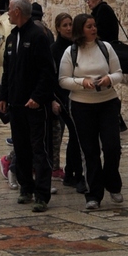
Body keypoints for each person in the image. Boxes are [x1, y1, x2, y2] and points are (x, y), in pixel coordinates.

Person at [60, 11, 124, 210]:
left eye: (94, 26)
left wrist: (109, 80)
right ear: (81, 30)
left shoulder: (106, 48)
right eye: (89, 27)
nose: (94, 29)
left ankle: (112, 183)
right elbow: (63, 80)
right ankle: (93, 194)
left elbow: (118, 73)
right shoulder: (71, 52)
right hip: (82, 105)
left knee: (112, 147)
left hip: (107, 102)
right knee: (90, 151)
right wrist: (83, 82)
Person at [0, 0, 57, 212]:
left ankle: (42, 193)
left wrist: (38, 97)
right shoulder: (12, 37)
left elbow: (47, 72)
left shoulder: (38, 36)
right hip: (15, 104)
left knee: (39, 149)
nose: (7, 13)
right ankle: (26, 187)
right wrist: (4, 96)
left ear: (17, 11)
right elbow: (8, 71)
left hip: (35, 106)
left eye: (9, 9)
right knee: (21, 148)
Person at [52, 10, 82, 188]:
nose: (69, 28)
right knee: (74, 133)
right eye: (65, 25)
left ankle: (72, 171)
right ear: (58, 28)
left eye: (71, 24)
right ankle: (73, 172)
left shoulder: (77, 46)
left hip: (75, 96)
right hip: (63, 98)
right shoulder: (55, 50)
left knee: (76, 135)